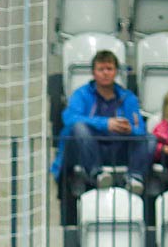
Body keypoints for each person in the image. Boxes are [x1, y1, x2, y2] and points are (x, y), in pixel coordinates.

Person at [52, 49, 151, 198]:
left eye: (109, 69)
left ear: (116, 72)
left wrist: (130, 129)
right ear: (93, 73)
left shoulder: (128, 97)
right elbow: (69, 118)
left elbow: (140, 130)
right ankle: (96, 173)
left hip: (118, 148)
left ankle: (135, 177)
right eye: (101, 69)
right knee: (79, 128)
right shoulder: (81, 94)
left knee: (150, 138)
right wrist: (106, 123)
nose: (105, 73)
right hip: (88, 149)